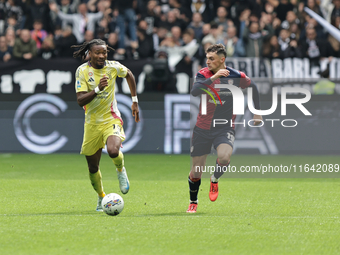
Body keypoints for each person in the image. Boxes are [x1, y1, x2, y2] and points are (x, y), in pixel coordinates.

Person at [187, 44, 262, 213]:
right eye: (207, 58)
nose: (208, 62)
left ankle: (214, 179)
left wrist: (257, 113)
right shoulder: (202, 74)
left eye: (212, 59)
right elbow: (195, 91)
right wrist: (214, 78)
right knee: (196, 172)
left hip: (224, 127)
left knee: (224, 157)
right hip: (202, 128)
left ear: (222, 60)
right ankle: (193, 201)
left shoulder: (236, 76)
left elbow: (253, 87)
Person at [72, 39, 140, 211]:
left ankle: (120, 170)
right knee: (93, 167)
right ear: (90, 53)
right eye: (98, 52)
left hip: (111, 118)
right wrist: (97, 90)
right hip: (92, 123)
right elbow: (80, 101)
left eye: (104, 52)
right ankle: (101, 197)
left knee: (113, 150)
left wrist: (134, 100)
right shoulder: (82, 71)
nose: (102, 56)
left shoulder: (113, 67)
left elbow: (129, 74)